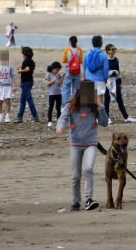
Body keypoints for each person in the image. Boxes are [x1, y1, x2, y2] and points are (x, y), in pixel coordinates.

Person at [56, 80, 108, 211]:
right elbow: (63, 118)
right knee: (75, 175)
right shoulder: (71, 105)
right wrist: (60, 127)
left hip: (91, 142)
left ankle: (89, 199)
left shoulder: (95, 106)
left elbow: (105, 122)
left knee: (88, 169)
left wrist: (100, 106)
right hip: (76, 144)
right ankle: (76, 201)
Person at [103, 44, 136, 123]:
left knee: (119, 100)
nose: (114, 51)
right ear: (107, 51)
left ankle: (126, 117)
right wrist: (109, 73)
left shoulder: (116, 59)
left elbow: (118, 71)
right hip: (107, 82)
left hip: (115, 81)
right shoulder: (104, 60)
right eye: (112, 49)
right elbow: (103, 72)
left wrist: (119, 82)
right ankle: (107, 118)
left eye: (115, 49)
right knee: (106, 101)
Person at [15, 46, 38, 123]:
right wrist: (20, 68)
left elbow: (27, 69)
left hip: (26, 82)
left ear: (25, 54)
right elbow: (29, 69)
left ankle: (35, 116)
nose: (22, 55)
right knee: (23, 100)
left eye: (23, 53)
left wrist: (20, 71)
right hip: (29, 81)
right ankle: (20, 117)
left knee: (28, 99)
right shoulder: (32, 61)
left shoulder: (26, 61)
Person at [83, 36, 110, 101]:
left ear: (92, 43)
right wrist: (105, 80)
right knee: (99, 100)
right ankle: (102, 111)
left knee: (89, 101)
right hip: (100, 80)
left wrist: (84, 79)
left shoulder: (86, 54)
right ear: (101, 43)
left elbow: (84, 69)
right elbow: (106, 70)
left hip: (88, 80)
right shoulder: (103, 55)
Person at [0, 50, 15, 123]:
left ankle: (7, 116)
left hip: (7, 86)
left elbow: (12, 76)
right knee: (0, 102)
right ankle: (0, 117)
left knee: (7, 101)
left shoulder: (10, 67)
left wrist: (14, 85)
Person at [61, 36, 84, 104]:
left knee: (66, 89)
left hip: (69, 69)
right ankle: (75, 105)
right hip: (77, 70)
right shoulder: (80, 50)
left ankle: (65, 106)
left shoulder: (66, 49)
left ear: (69, 42)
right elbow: (81, 61)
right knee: (76, 89)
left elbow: (63, 60)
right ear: (77, 42)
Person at [45, 62, 64, 127]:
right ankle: (49, 120)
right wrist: (53, 80)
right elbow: (47, 83)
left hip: (58, 93)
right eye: (57, 70)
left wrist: (62, 78)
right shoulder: (48, 74)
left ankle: (59, 120)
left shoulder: (58, 74)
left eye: (58, 70)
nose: (57, 71)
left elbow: (59, 84)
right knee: (51, 107)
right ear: (53, 68)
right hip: (51, 94)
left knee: (58, 107)